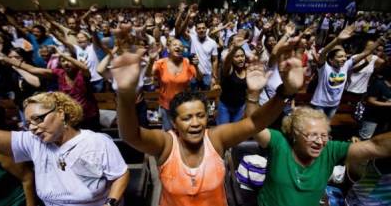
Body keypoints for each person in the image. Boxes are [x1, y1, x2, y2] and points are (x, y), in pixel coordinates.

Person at [111, 42, 305, 206]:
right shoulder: (167, 144)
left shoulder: (216, 138)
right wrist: (125, 94)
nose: (195, 123)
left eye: (200, 116)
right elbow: (131, 135)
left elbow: (254, 123)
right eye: (186, 118)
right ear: (174, 122)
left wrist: (285, 92)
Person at [0, 92, 129, 206]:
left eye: (37, 119)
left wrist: (110, 203)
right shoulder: (34, 141)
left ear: (60, 113)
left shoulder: (96, 142)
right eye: (28, 124)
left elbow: (120, 175)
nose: (32, 127)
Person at [245, 103, 391, 206]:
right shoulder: (280, 143)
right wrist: (253, 95)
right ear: (295, 134)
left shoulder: (331, 150)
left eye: (325, 135)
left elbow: (375, 146)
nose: (320, 142)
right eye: (313, 135)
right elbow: (253, 126)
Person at [0, 48, 100, 130]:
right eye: (62, 60)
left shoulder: (82, 73)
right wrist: (5, 58)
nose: (66, 63)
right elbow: (33, 69)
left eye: (68, 60)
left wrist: (61, 53)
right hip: (70, 117)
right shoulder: (59, 73)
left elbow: (85, 67)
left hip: (89, 116)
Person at [310, 25, 384, 119]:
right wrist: (337, 40)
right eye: (340, 56)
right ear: (331, 60)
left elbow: (365, 52)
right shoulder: (324, 68)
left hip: (334, 105)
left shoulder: (346, 66)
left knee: (326, 126)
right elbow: (324, 53)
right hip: (320, 104)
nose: (344, 59)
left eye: (345, 56)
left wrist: (379, 41)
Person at [145, 39, 199, 131]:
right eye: (174, 45)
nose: (178, 47)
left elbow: (198, 78)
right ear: (168, 49)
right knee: (169, 133)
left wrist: (197, 66)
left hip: (183, 106)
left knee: (183, 131)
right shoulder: (160, 63)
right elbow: (148, 75)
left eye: (180, 46)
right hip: (166, 106)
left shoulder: (187, 62)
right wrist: (151, 60)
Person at [216, 35, 248, 125]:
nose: (241, 59)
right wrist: (234, 49)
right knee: (223, 132)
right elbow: (227, 61)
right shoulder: (228, 69)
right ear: (232, 59)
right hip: (225, 106)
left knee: (235, 133)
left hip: (240, 107)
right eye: (237, 57)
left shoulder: (247, 69)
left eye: (242, 56)